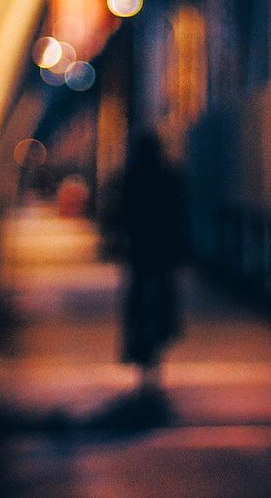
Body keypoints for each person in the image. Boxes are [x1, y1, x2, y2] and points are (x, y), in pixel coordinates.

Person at [117, 130, 189, 392]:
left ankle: (136, 346)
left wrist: (119, 239)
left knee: (136, 296)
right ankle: (163, 334)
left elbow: (120, 212)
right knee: (163, 295)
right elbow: (180, 215)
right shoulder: (171, 178)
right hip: (163, 251)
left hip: (139, 250)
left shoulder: (131, 177)